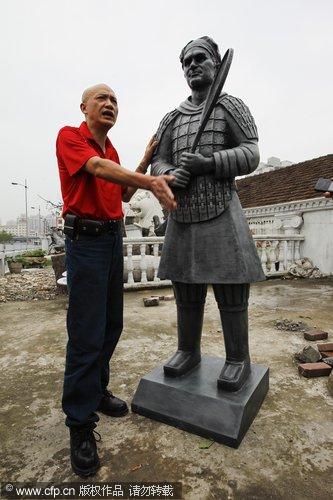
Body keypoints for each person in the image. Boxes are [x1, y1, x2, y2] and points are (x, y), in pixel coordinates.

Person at [56, 83, 175, 477]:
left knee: (111, 325)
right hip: (85, 241)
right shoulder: (71, 137)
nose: (109, 104)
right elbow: (95, 169)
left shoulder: (113, 151)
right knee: (86, 331)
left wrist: (142, 161)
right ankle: (80, 423)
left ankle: (96, 390)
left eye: (115, 101)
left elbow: (121, 195)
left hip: (111, 239)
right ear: (84, 107)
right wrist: (152, 182)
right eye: (102, 99)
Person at [151, 37, 265, 392]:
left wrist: (209, 163)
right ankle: (188, 351)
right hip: (182, 212)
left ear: (215, 63)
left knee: (231, 291)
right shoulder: (172, 118)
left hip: (220, 208)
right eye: (186, 62)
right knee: (185, 288)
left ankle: (237, 358)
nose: (192, 65)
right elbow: (159, 160)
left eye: (200, 58)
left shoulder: (230, 106)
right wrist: (170, 173)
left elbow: (251, 153)